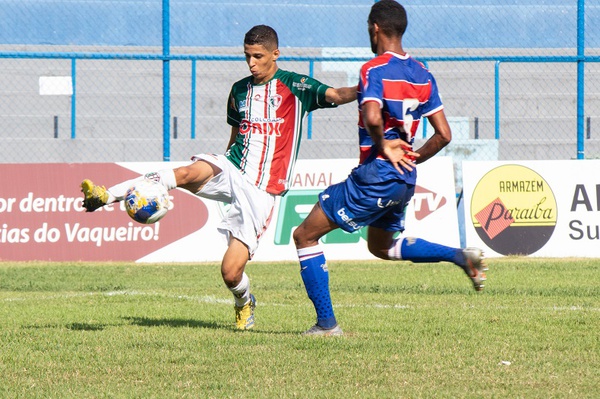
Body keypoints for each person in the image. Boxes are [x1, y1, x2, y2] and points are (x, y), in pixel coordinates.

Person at [81, 25, 357, 331]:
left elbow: (337, 94)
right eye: (247, 56)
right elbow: (235, 134)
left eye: (258, 56)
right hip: (232, 166)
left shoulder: (295, 85)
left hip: (261, 189)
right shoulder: (240, 90)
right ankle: (107, 196)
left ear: (275, 54)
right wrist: (219, 165)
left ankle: (244, 301)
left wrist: (371, 87)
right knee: (185, 172)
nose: (251, 63)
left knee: (230, 272)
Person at [292, 0, 488, 337]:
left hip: (377, 174)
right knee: (381, 247)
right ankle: (459, 256)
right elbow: (444, 135)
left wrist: (383, 146)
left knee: (304, 235)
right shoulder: (423, 73)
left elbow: (371, 117)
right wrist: (412, 158)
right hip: (404, 179)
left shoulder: (374, 69)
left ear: (375, 28)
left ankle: (326, 324)